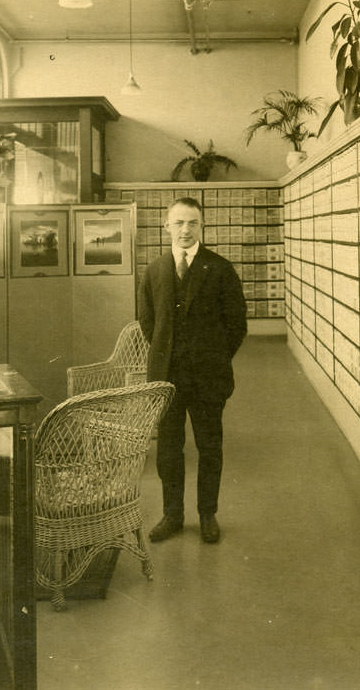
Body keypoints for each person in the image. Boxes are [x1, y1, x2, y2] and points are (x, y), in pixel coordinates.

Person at [139, 197, 247, 544]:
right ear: (166, 226)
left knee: (209, 447)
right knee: (169, 449)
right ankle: (172, 514)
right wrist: (168, 355)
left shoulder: (219, 268)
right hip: (166, 378)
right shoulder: (155, 270)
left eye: (193, 223)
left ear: (202, 226)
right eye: (179, 223)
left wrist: (213, 357)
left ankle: (207, 515)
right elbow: (148, 323)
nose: (185, 230)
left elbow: (236, 325)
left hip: (207, 377)